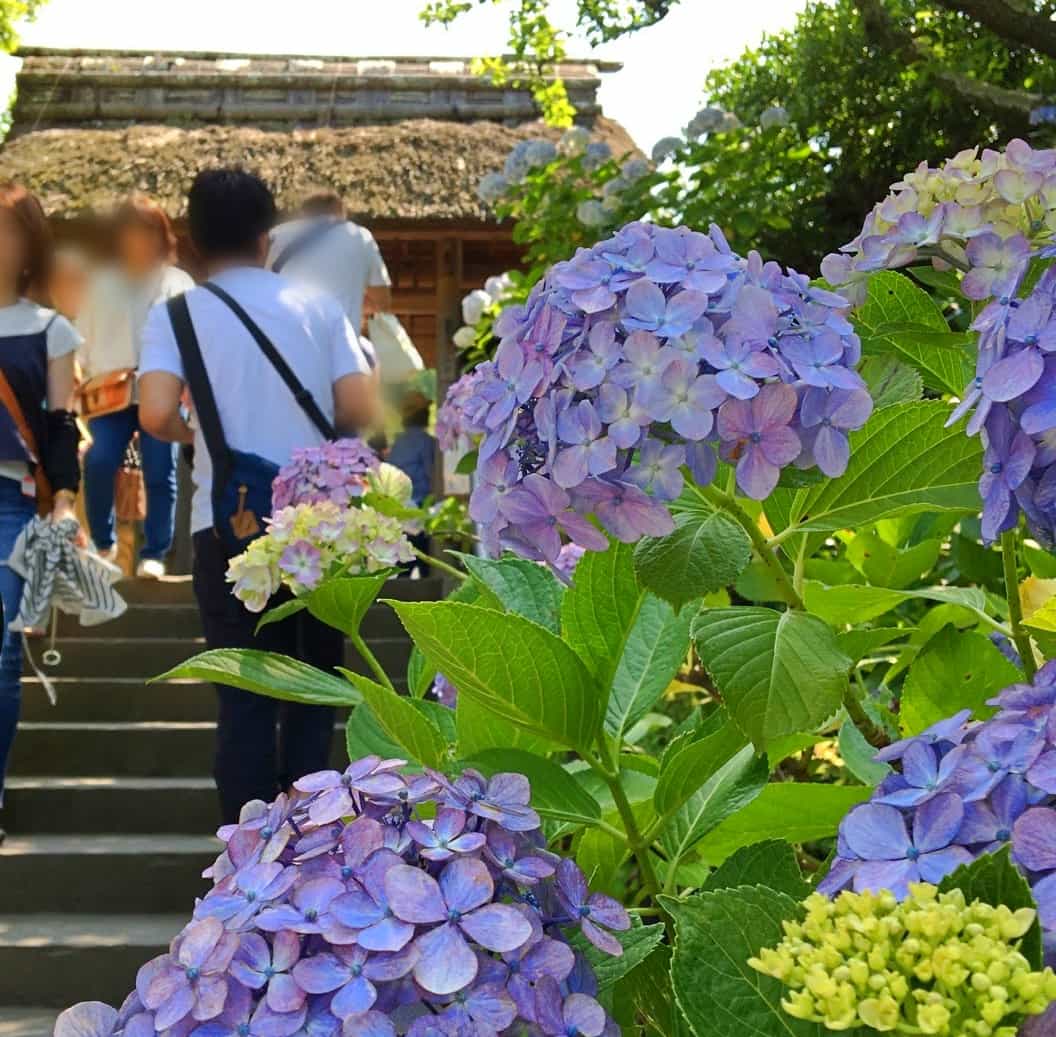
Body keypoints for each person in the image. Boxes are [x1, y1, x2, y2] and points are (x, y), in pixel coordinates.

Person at [138, 168, 375, 823]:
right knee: (316, 689)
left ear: (191, 240)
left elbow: (154, 412)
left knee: (243, 694)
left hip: (226, 524)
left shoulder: (176, 313)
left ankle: (248, 860)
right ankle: (312, 849)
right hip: (319, 529)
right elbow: (356, 405)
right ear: (268, 237)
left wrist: (205, 437)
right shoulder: (317, 307)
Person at [0, 183, 83, 844]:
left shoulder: (50, 328)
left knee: (1, 649)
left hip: (12, 500)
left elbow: (60, 424)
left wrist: (64, 500)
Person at [77, 196, 193, 578]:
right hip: (111, 392)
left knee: (161, 469)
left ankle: (154, 552)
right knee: (99, 460)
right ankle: (104, 544)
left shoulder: (178, 283)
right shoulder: (100, 281)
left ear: (161, 235)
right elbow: (83, 337)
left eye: (146, 230)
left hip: (161, 387)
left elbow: (193, 339)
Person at [267, 189, 391, 340]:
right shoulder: (359, 236)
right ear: (341, 212)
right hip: (340, 343)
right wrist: (356, 297)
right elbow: (383, 301)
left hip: (287, 338)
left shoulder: (277, 235)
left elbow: (260, 286)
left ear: (303, 212)